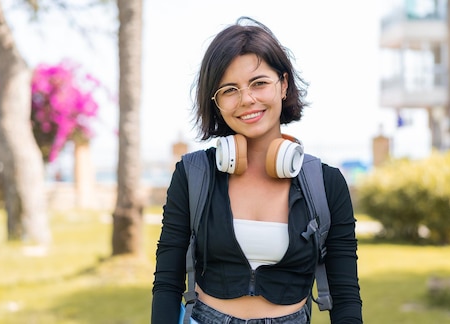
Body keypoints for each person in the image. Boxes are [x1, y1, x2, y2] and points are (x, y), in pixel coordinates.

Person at [152, 17, 362, 324]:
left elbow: (345, 296)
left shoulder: (326, 183)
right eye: (229, 89)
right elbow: (167, 283)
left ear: (284, 85)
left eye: (259, 83)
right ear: (217, 102)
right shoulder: (193, 174)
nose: (247, 99)